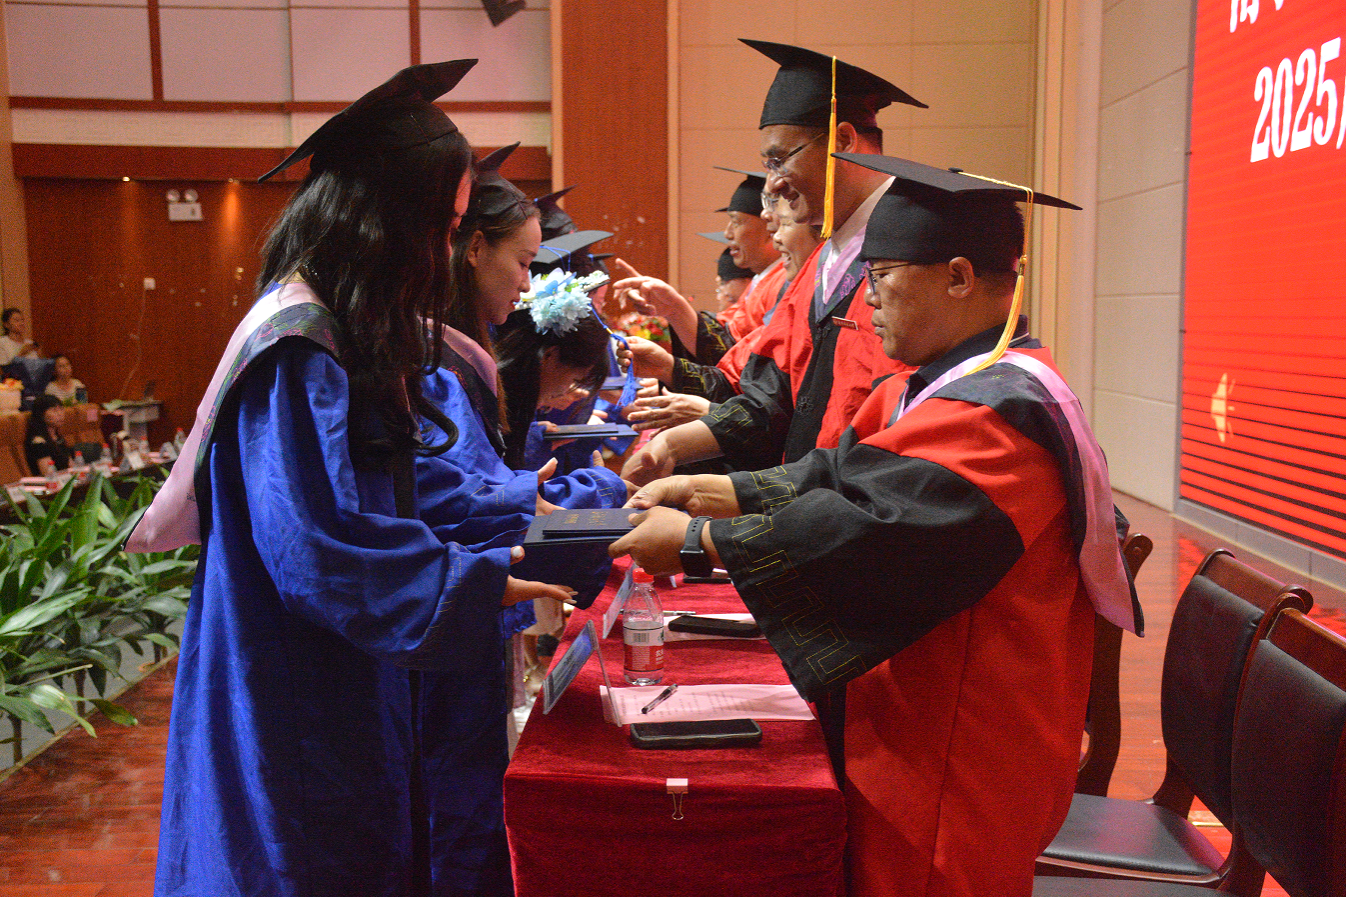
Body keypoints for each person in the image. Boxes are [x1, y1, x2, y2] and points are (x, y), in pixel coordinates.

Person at [610, 154, 1142, 897]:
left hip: (957, 755)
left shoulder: (1000, 417)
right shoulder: (933, 386)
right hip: (913, 724)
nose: (867, 298)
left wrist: (700, 543)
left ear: (958, 277)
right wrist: (710, 489)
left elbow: (871, 530)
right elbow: (837, 472)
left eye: (883, 275)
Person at [130, 61, 585, 897]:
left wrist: (530, 511)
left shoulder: (351, 329)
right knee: (302, 860)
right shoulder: (295, 345)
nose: (446, 253)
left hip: (350, 674)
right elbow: (317, 545)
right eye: (442, 227)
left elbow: (401, 487)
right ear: (381, 222)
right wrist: (471, 582)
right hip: (288, 683)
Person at [623, 40, 925, 483]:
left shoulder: (916, 255)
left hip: (862, 499)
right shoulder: (823, 262)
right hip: (805, 496)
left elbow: (893, 438)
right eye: (768, 164)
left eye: (780, 160)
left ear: (844, 141)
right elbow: (770, 396)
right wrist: (670, 447)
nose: (773, 185)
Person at [23, 394, 68, 475]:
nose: (60, 414)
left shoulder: (57, 437)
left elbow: (70, 464)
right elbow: (48, 473)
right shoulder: (38, 442)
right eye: (54, 410)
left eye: (61, 409)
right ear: (41, 414)